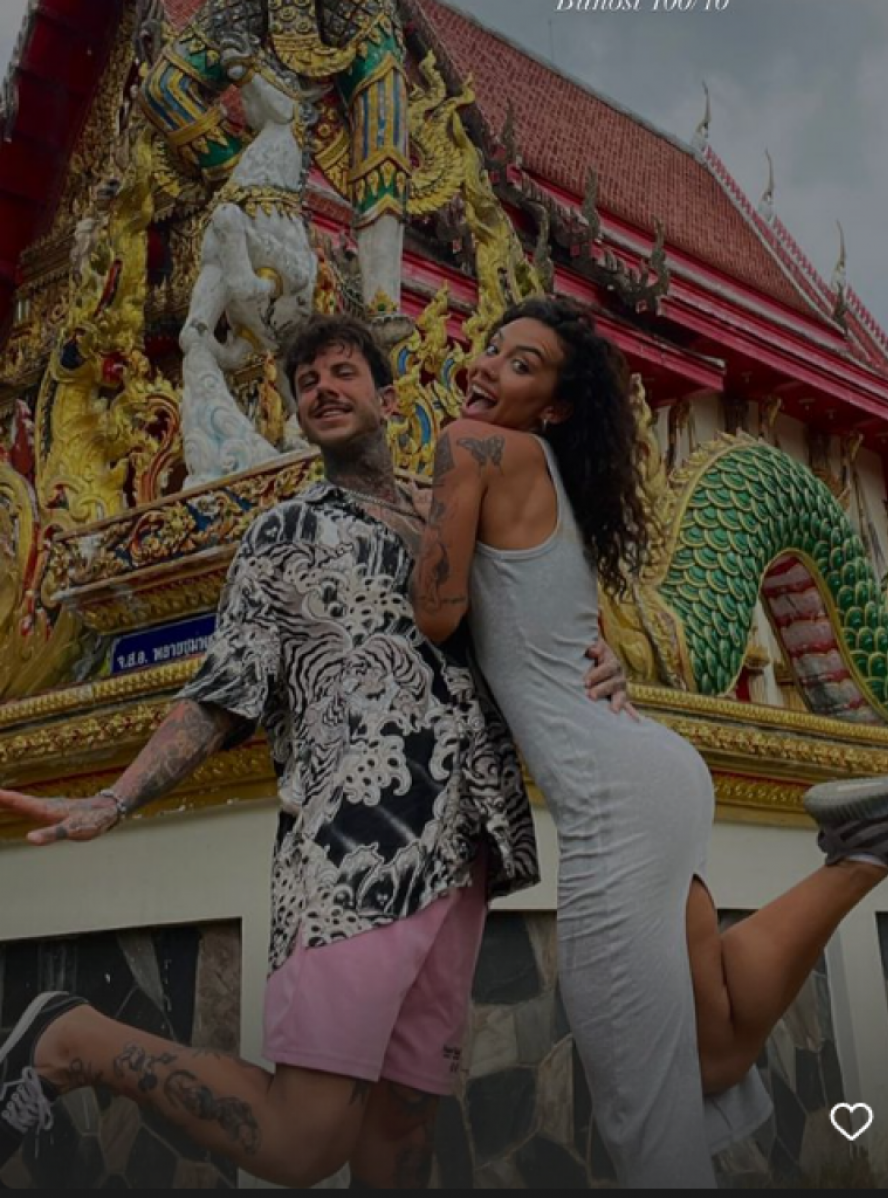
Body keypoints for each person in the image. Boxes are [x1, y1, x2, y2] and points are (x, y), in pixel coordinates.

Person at [0, 314, 628, 1190]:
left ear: (387, 398)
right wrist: (114, 798)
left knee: (404, 1134)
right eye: (307, 383)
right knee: (301, 1141)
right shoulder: (283, 534)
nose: (324, 390)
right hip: (355, 851)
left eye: (343, 373)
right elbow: (223, 692)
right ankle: (72, 1036)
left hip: (464, 847)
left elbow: (536, 621)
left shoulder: (456, 509)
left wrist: (608, 659)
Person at [409, 296, 888, 1189]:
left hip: (616, 807)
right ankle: (869, 849)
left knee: (645, 1123)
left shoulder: (468, 448)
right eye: (492, 347)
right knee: (713, 1047)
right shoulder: (557, 483)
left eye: (520, 364)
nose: (483, 366)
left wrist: (416, 510)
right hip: (656, 770)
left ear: (555, 405)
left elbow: (435, 614)